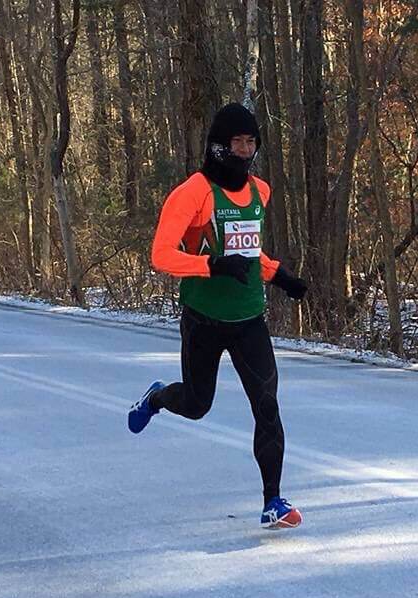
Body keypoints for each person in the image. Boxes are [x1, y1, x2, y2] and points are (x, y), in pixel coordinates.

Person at [128, 102, 308, 530]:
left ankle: (273, 501)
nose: (244, 150)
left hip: (249, 319)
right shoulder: (194, 192)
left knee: (267, 405)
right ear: (218, 146)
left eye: (251, 142)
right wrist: (210, 266)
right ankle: (156, 398)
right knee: (196, 405)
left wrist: (279, 275)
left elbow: (248, 253)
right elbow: (161, 255)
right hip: (203, 318)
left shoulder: (260, 191)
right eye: (237, 142)